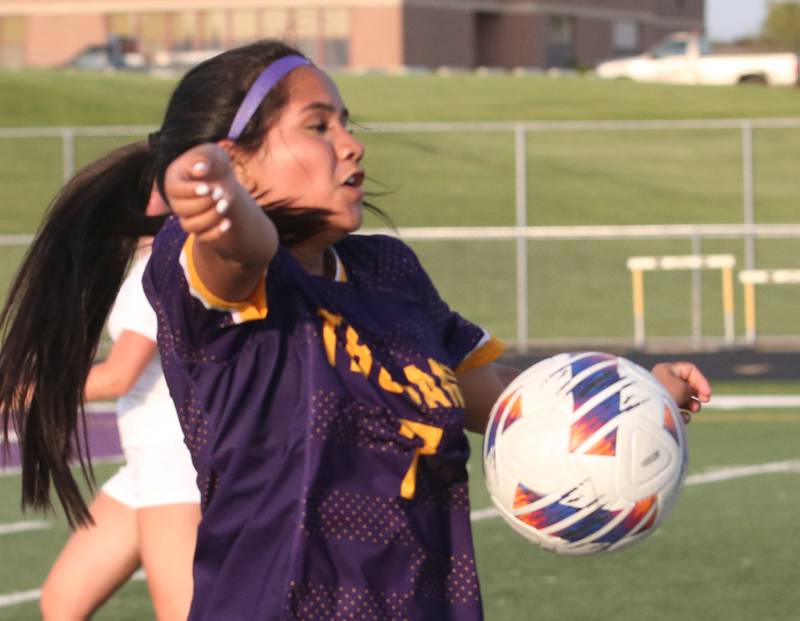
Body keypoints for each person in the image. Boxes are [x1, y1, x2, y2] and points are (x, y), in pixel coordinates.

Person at [0, 40, 711, 620]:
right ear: (237, 156)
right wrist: (213, 193)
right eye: (318, 125)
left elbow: (500, 404)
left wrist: (634, 391)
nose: (351, 145)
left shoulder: (389, 272)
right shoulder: (217, 275)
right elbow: (241, 248)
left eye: (346, 122)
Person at [38, 191, 201, 621]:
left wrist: (22, 392)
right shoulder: (155, 265)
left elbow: (118, 376)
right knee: (62, 600)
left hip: (174, 463)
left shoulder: (160, 267)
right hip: (147, 463)